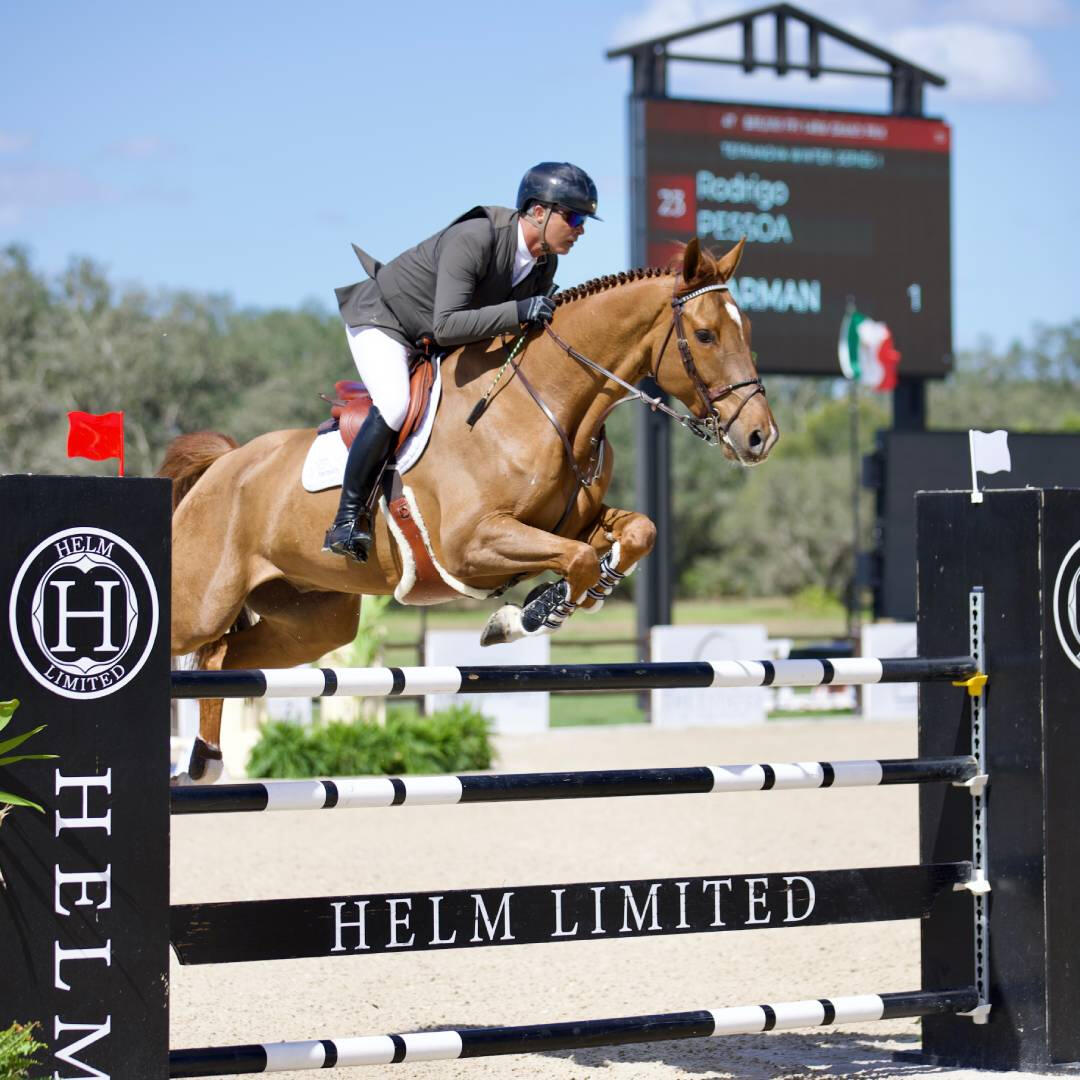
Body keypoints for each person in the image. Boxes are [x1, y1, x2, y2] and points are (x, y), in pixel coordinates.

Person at [325, 162, 600, 563]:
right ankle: (347, 518)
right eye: (573, 216)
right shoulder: (475, 237)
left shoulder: (545, 263)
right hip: (386, 321)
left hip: (435, 337)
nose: (580, 229)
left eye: (584, 220)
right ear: (538, 212)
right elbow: (449, 325)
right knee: (396, 403)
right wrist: (520, 309)